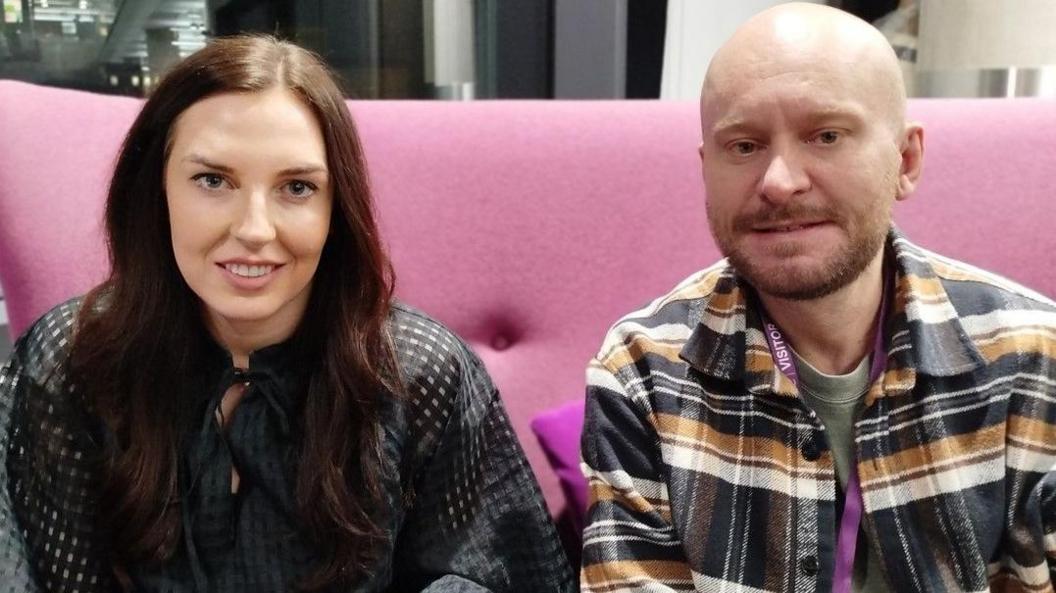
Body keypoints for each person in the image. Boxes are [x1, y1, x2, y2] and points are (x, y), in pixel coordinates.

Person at [0, 35, 573, 593]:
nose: (254, 229)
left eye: (296, 187)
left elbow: (492, 572)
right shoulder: (72, 358)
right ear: (157, 190)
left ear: (335, 207)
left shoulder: (421, 369)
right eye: (212, 180)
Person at [580, 4, 1056, 593]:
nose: (779, 181)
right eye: (744, 145)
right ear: (707, 170)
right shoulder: (642, 372)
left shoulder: (1036, 358)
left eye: (826, 135)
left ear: (905, 161)